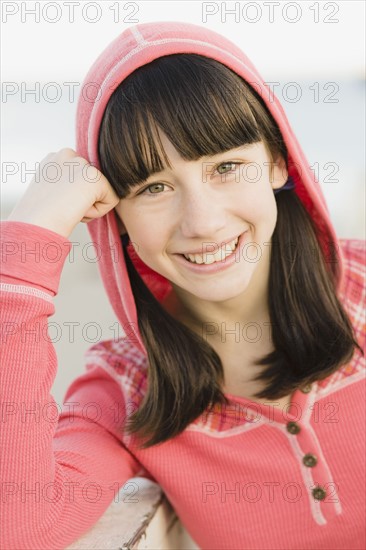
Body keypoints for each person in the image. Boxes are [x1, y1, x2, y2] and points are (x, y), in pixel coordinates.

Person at [1, 21, 365, 550]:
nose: (204, 222)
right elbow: (20, 524)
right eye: (155, 187)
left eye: (227, 166)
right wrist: (30, 238)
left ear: (278, 162)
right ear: (115, 217)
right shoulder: (126, 393)